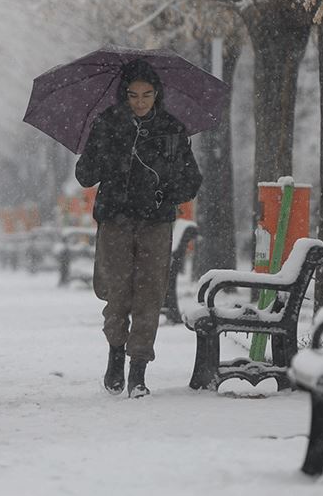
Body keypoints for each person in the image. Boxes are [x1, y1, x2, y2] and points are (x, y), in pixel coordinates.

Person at [75, 59, 203, 397]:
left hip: (155, 222)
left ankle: (138, 368)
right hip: (115, 219)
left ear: (157, 94)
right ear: (124, 95)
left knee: (149, 296)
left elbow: (192, 179)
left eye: (147, 95)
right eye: (133, 95)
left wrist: (166, 192)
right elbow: (84, 175)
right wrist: (107, 153)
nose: (140, 102)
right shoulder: (106, 124)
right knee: (116, 293)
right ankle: (116, 353)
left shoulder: (172, 129)